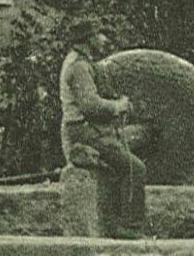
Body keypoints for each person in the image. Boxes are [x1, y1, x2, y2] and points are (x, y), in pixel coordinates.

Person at [58, 17, 146, 239]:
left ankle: (118, 221)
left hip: (86, 129)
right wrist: (118, 106)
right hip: (84, 132)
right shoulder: (78, 67)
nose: (104, 39)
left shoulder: (82, 62)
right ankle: (130, 226)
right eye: (99, 35)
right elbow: (91, 106)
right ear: (88, 40)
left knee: (120, 164)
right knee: (135, 168)